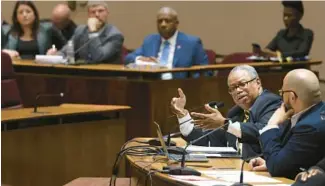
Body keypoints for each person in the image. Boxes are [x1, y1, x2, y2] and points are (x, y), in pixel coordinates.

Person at [170, 65, 282, 159]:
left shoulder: (271, 103)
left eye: (242, 84)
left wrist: (225, 124)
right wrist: (182, 115)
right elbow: (208, 141)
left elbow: (262, 131)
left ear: (257, 82)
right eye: (232, 88)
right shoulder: (236, 113)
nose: (237, 90)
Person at [248, 69, 325, 179]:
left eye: (282, 93)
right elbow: (289, 158)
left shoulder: (309, 127)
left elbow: (277, 168)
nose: (281, 98)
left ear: (292, 96)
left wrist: (271, 125)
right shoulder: (313, 114)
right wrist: (269, 162)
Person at [125, 7, 208, 79]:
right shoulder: (150, 41)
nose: (163, 24)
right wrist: (140, 59)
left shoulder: (192, 43)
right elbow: (128, 58)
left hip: (180, 88)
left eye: (167, 21)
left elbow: (206, 72)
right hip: (153, 86)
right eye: (160, 21)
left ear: (176, 24)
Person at [47, 1, 124, 64]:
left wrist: (93, 31)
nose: (97, 15)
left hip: (107, 78)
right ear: (88, 15)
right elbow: (65, 52)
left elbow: (98, 58)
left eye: (101, 11)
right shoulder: (81, 30)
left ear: (107, 13)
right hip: (84, 76)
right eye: (93, 12)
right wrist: (55, 55)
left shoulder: (115, 35)